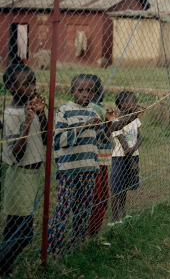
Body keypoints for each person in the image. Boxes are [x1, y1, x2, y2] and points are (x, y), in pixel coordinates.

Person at [47, 74, 103, 256]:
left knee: (83, 209)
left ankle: (75, 246)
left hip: (88, 169)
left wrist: (109, 122)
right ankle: (53, 250)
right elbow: (59, 139)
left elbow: (103, 138)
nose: (86, 94)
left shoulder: (94, 113)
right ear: (72, 92)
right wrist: (84, 126)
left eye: (90, 91)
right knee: (63, 209)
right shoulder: (65, 110)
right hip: (69, 171)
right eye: (81, 90)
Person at [0, 63, 47, 275]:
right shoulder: (12, 114)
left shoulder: (29, 107)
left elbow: (46, 139)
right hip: (20, 175)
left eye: (33, 82)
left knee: (13, 227)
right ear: (10, 87)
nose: (32, 87)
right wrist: (27, 122)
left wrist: (41, 113)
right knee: (24, 232)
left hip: (32, 175)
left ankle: (5, 266)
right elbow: (16, 154)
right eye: (26, 84)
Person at [109, 91, 144, 225]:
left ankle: (122, 212)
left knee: (124, 187)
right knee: (116, 188)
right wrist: (132, 163)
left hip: (133, 155)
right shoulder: (117, 121)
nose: (136, 104)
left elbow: (140, 137)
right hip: (120, 158)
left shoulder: (135, 118)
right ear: (123, 104)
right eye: (133, 102)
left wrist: (134, 149)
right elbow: (123, 144)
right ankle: (114, 216)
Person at [87, 76, 115, 236]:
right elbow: (103, 135)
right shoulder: (96, 110)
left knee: (98, 194)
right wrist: (110, 121)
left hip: (96, 160)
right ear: (97, 91)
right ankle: (92, 229)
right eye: (101, 88)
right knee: (98, 195)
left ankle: (91, 227)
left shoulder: (97, 108)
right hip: (98, 161)